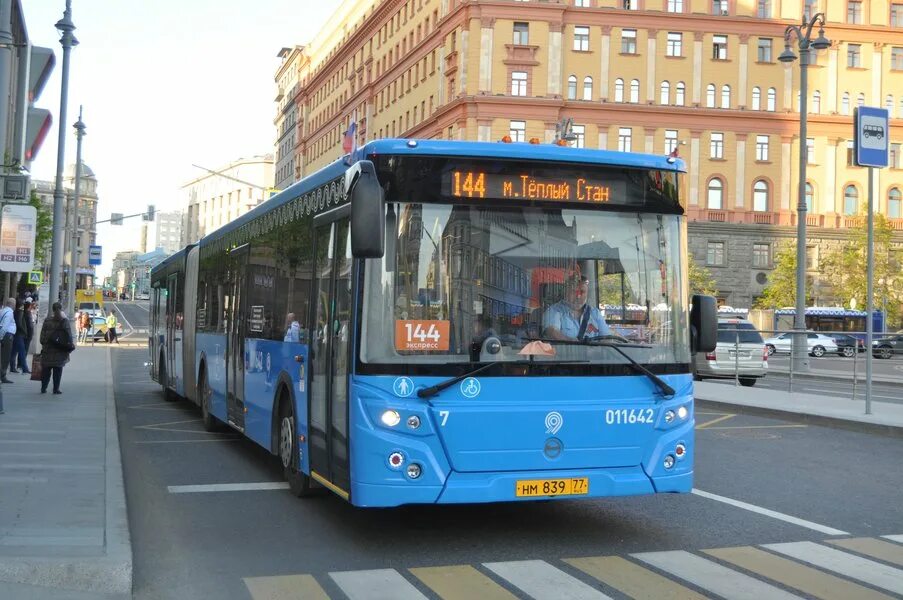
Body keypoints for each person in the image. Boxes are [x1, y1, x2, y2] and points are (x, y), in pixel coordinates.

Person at [542, 274, 614, 342]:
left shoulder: (595, 313)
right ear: (566, 291)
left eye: (582, 292)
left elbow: (606, 338)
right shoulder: (554, 311)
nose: (578, 296)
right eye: (574, 292)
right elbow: (552, 332)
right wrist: (572, 342)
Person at [39, 302, 74, 394]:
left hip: (47, 350)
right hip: (60, 351)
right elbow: (69, 336)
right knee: (58, 371)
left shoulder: (47, 320)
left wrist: (44, 343)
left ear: (53, 309)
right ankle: (56, 389)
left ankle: (43, 388)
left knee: (46, 371)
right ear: (61, 309)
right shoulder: (64, 321)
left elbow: (42, 337)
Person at [9, 301, 30, 374]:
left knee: (14, 352)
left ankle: (12, 367)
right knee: (22, 352)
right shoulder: (20, 312)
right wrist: (24, 331)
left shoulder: (15, 312)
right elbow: (19, 323)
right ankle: (25, 368)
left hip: (15, 334)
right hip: (19, 334)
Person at [0, 298, 16, 383]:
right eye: (15, 304)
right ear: (12, 304)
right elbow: (5, 326)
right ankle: (3, 376)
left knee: (3, 356)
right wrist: (1, 337)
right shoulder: (9, 313)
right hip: (7, 336)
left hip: (4, 336)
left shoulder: (2, 310)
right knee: (5, 357)